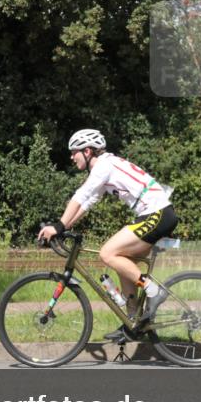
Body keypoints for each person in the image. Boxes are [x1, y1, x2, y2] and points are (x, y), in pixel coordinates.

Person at [37, 128, 178, 341]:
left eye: (73, 152)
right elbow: (88, 202)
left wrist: (57, 226)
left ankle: (153, 290)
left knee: (107, 253)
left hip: (157, 214)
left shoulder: (104, 165)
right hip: (152, 214)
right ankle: (133, 323)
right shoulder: (106, 167)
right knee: (122, 260)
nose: (71, 157)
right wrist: (65, 227)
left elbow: (81, 194)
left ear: (87, 151)